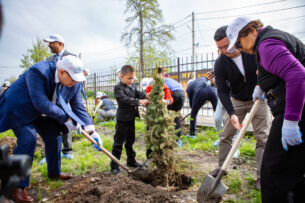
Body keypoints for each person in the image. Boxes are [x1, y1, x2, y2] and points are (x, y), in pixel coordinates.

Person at [0, 55, 103, 202]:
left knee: (54, 137)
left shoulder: (74, 83)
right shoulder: (38, 72)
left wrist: (91, 130)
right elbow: (40, 103)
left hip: (44, 112)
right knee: (28, 139)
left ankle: (54, 172)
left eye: (77, 79)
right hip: (21, 107)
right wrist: (68, 118)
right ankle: (16, 186)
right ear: (61, 72)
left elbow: (78, 105)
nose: (75, 83)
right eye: (73, 78)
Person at [226, 16, 305, 202]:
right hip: (295, 111)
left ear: (253, 30)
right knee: (294, 172)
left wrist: (291, 121)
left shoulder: (266, 45)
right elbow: (277, 70)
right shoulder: (269, 41)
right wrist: (262, 85)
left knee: (273, 173)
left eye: (239, 42)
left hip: (296, 112)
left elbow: (297, 75)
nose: (240, 48)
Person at [210, 25, 270, 190]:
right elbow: (222, 91)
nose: (224, 50)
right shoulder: (220, 63)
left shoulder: (252, 52)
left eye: (225, 45)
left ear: (235, 38)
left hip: (258, 99)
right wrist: (232, 113)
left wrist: (262, 87)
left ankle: (261, 175)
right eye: (219, 48)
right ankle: (222, 168)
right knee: (226, 136)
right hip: (236, 100)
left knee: (262, 137)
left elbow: (267, 72)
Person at [110, 65, 149, 175]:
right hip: (122, 120)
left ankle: (131, 161)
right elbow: (124, 100)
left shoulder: (132, 87)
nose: (131, 81)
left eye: (133, 78)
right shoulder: (118, 88)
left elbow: (139, 94)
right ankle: (114, 166)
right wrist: (139, 101)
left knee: (130, 141)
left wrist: (147, 95)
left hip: (131, 119)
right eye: (129, 78)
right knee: (118, 143)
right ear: (121, 76)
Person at [44, 34, 78, 160]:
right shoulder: (49, 59)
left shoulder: (72, 57)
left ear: (59, 43)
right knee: (50, 124)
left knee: (65, 122)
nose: (49, 45)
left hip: (66, 95)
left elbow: (75, 78)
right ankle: (52, 153)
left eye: (51, 43)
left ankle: (67, 149)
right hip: (50, 96)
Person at [144, 68, 173, 166]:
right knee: (150, 136)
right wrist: (147, 96)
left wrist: (166, 101)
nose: (158, 80)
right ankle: (149, 158)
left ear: (163, 78)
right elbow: (145, 97)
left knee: (163, 136)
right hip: (151, 117)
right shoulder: (149, 88)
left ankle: (164, 158)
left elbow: (170, 99)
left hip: (162, 117)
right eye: (156, 78)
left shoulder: (165, 88)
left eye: (160, 78)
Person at [156, 71, 185, 147]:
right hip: (182, 93)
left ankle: (164, 137)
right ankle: (178, 140)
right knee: (176, 115)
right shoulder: (169, 79)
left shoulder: (155, 81)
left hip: (172, 94)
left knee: (165, 115)